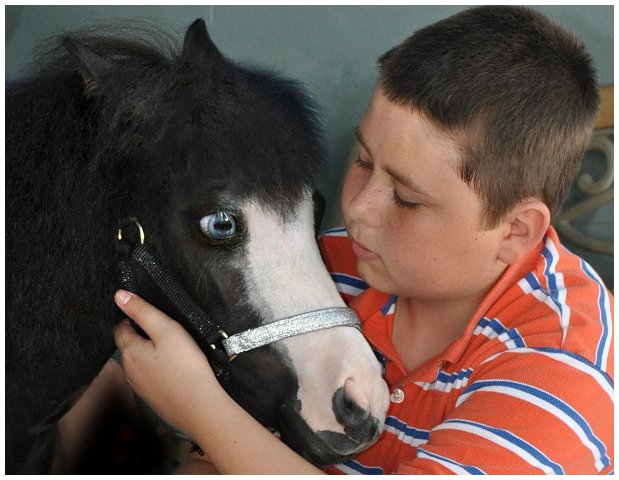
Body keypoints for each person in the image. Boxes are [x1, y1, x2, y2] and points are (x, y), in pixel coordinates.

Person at [112, 5, 613, 474]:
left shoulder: (563, 369)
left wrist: (201, 410)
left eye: (407, 197)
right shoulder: (335, 267)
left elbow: (221, 434)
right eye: (365, 162)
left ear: (515, 230)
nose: (357, 209)